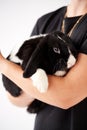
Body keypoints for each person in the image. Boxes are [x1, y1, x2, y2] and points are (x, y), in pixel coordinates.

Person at [0, 0, 87, 129]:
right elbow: (15, 97)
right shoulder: (45, 21)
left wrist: (3, 64)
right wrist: (35, 79)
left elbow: (66, 95)